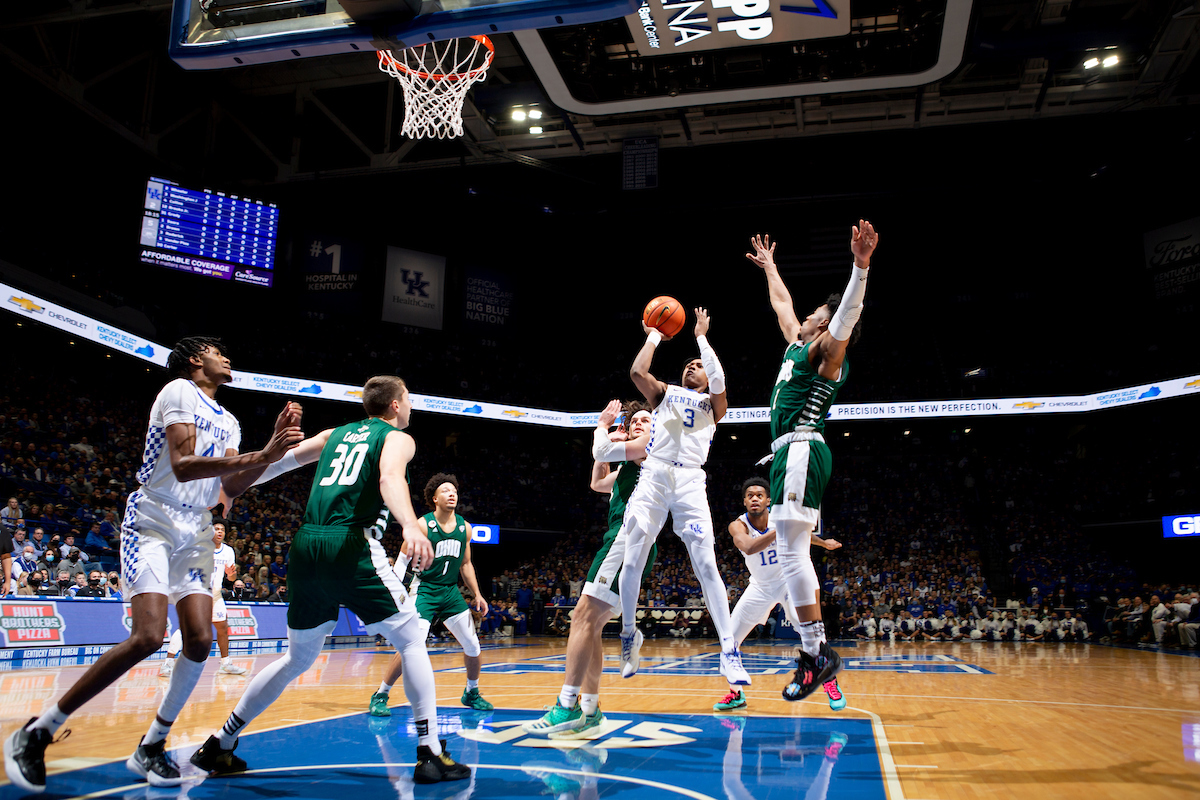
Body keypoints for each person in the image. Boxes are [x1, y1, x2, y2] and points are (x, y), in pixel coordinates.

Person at [4, 336, 302, 794]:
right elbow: (183, 466)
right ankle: (38, 730)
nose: (227, 355)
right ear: (194, 358)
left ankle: (152, 745)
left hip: (197, 527)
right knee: (147, 636)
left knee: (201, 639)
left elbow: (233, 482)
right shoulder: (179, 391)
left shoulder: (230, 420)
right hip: (154, 518)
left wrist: (273, 449)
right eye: (217, 350)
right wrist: (264, 455)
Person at [189, 375, 470, 785]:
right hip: (352, 545)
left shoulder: (334, 434)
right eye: (408, 398)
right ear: (394, 405)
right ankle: (429, 753)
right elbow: (390, 479)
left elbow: (280, 462)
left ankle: (221, 742)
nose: (410, 406)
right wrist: (411, 524)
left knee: (297, 657)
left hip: (306, 545)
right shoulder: (397, 439)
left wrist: (232, 489)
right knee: (411, 638)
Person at [745, 222, 877, 701]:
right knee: (792, 549)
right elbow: (782, 304)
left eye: (815, 314)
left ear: (822, 324)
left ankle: (816, 652)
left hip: (803, 448)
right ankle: (813, 654)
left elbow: (844, 320)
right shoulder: (795, 345)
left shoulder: (826, 350)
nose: (803, 315)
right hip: (787, 454)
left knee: (794, 551)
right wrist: (771, 267)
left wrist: (859, 268)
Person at [614, 309, 751, 687]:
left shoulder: (714, 405)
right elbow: (637, 373)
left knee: (707, 565)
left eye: (698, 365)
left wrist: (702, 338)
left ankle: (729, 650)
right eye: (688, 364)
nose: (692, 367)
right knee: (633, 557)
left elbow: (720, 380)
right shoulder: (665, 394)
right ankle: (629, 634)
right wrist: (655, 336)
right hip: (655, 475)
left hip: (690, 483)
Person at [524, 400, 658, 738]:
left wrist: (603, 425)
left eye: (645, 419)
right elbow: (597, 482)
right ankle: (590, 708)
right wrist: (612, 440)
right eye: (635, 421)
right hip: (623, 539)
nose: (639, 424)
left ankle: (566, 706)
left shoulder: (651, 449)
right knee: (590, 626)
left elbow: (603, 449)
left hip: (627, 538)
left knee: (582, 617)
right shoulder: (629, 465)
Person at [712, 478, 845, 713]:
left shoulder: (779, 518)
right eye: (750, 495)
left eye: (759, 495)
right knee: (729, 640)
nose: (755, 498)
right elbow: (749, 547)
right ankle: (736, 694)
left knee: (809, 630)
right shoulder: (737, 525)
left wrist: (823, 543)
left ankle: (829, 681)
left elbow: (803, 534)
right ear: (744, 501)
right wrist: (779, 531)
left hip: (788, 582)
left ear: (768, 500)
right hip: (760, 586)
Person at [368, 472, 492, 717]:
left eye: (454, 490)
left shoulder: (465, 528)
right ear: (434, 499)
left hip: (449, 592)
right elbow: (403, 558)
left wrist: (477, 594)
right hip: (424, 589)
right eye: (445, 490)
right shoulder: (423, 525)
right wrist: (395, 590)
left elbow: (466, 564)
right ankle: (381, 694)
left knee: (473, 646)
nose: (452, 493)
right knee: (411, 646)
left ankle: (471, 692)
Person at [160, 520, 248, 677]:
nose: (219, 531)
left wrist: (230, 574)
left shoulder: (228, 551)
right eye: (216, 529)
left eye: (222, 529)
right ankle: (167, 664)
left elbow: (233, 578)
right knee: (187, 628)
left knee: (222, 628)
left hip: (215, 595)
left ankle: (225, 664)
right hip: (198, 593)